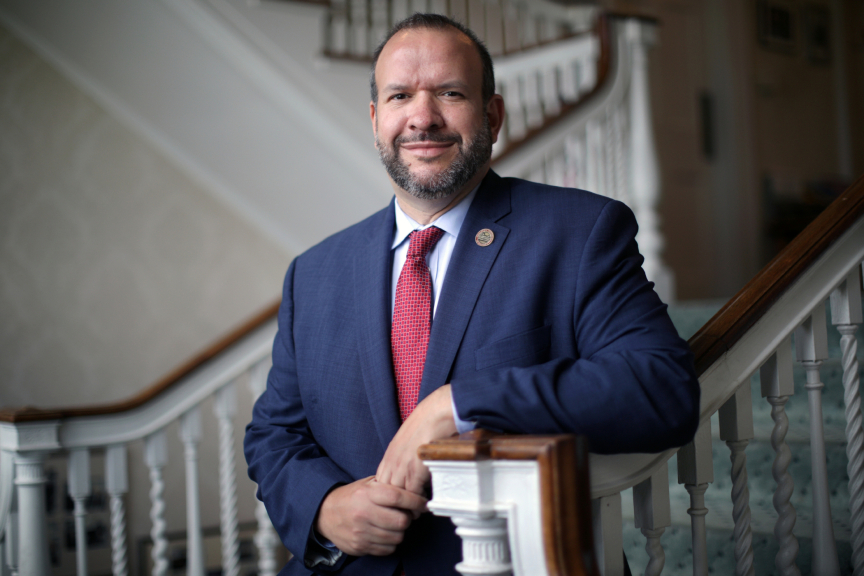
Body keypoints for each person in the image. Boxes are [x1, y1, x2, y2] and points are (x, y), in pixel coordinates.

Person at [244, 13, 699, 576]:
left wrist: (457, 405)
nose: (422, 117)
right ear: (375, 118)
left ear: (493, 114)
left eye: (450, 93)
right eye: (400, 95)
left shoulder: (579, 232)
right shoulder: (311, 274)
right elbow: (274, 433)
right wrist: (323, 508)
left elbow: (660, 387)